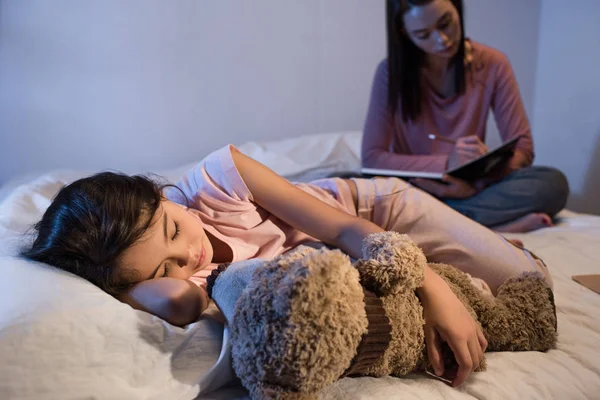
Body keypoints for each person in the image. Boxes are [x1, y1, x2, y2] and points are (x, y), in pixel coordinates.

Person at [22, 145, 552, 387]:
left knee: (533, 283)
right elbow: (180, 304)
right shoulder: (190, 282)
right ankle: (491, 224)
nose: (188, 258)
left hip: (370, 211)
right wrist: (135, 289)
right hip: (349, 251)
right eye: (164, 267)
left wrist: (437, 292)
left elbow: (349, 232)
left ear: (163, 194)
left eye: (173, 232)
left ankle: (498, 229)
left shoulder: (217, 178)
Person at [361, 0, 569, 233]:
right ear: (405, 34)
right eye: (422, 35)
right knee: (339, 186)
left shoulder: (493, 64)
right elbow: (372, 158)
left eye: (446, 23)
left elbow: (523, 147)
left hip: (471, 191)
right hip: (414, 190)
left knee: (552, 184)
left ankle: (435, 226)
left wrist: (476, 185)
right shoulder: (389, 73)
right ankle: (485, 227)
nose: (442, 40)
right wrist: (447, 163)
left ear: (457, 8)